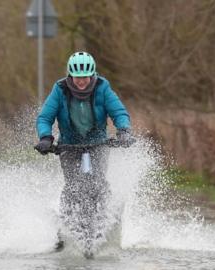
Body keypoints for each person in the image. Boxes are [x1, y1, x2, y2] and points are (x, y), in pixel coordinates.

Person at [34, 51, 135, 255]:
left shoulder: (102, 87)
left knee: (97, 183)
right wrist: (46, 138)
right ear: (71, 75)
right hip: (69, 146)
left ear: (92, 75)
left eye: (85, 77)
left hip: (97, 144)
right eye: (78, 78)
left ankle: (103, 224)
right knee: (74, 186)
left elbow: (119, 112)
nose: (82, 82)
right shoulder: (60, 89)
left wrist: (123, 131)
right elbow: (45, 118)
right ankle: (64, 232)